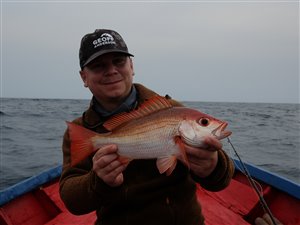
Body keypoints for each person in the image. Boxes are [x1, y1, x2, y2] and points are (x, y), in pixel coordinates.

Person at [59, 29, 235, 225]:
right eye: (98, 66)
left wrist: (213, 166)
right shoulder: (80, 130)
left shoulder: (173, 109)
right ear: (84, 77)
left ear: (131, 66)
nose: (111, 70)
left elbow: (221, 182)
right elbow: (72, 200)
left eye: (119, 61)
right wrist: (99, 181)